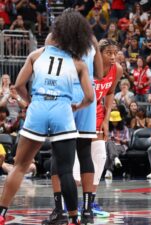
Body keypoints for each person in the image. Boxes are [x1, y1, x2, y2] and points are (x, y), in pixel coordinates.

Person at [0, 9, 94, 225]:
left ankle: (1, 213)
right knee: (66, 171)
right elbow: (89, 97)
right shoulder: (78, 62)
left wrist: (33, 102)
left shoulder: (37, 55)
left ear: (57, 33)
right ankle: (73, 219)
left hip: (39, 106)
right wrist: (76, 107)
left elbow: (18, 86)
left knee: (20, 166)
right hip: (62, 109)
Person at [42, 33, 103, 225]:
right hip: (87, 92)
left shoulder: (54, 38)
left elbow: (46, 71)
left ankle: (60, 210)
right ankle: (87, 211)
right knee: (85, 153)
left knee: (58, 154)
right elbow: (99, 74)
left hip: (64, 92)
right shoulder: (91, 38)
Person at [72, 38, 122, 218]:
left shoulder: (117, 70)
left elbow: (109, 93)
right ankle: (69, 201)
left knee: (100, 155)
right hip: (79, 110)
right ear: (97, 55)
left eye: (115, 53)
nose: (113, 57)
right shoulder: (87, 66)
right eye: (109, 53)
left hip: (98, 111)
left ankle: (90, 201)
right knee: (78, 159)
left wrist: (106, 120)